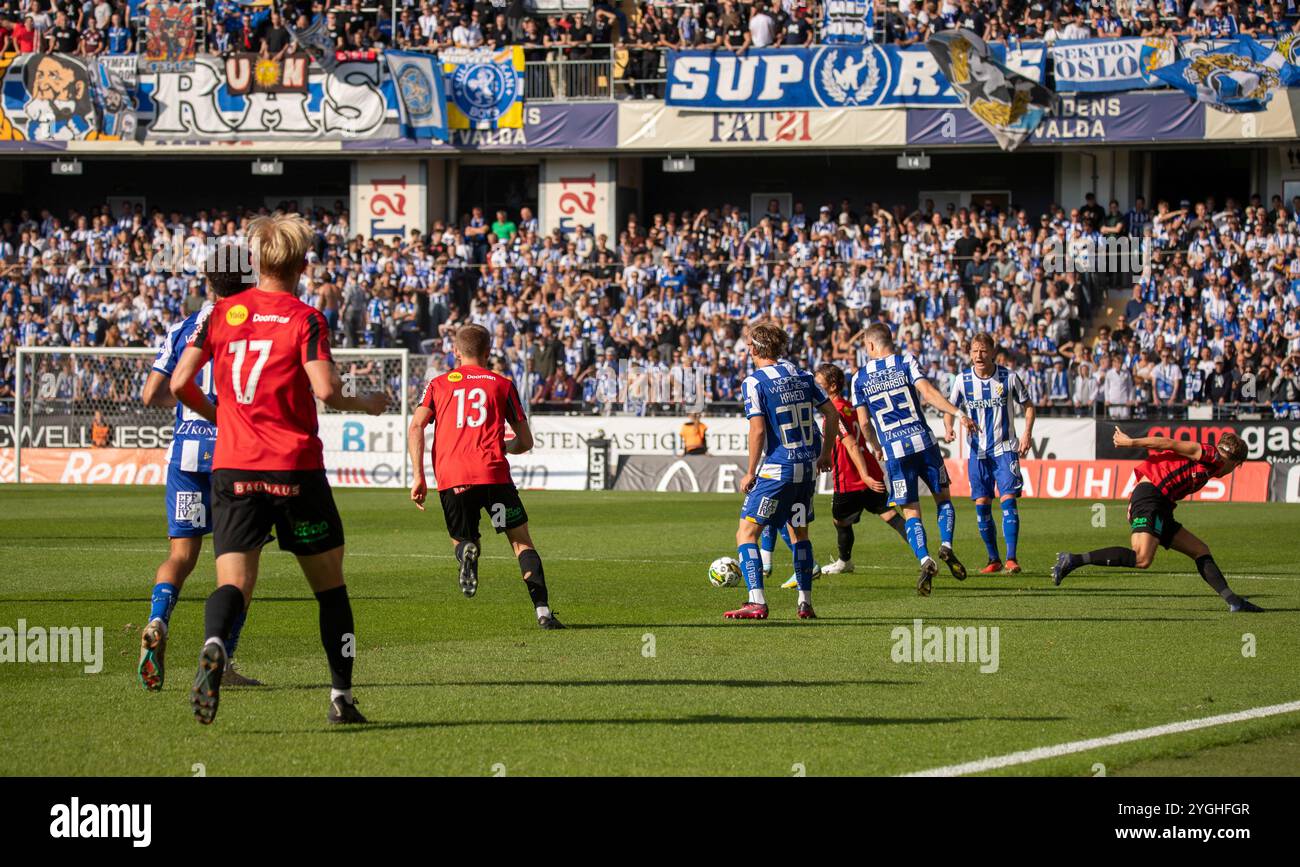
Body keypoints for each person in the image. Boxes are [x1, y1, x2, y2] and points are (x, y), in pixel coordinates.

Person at [172, 214, 388, 726]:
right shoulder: (305, 317)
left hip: (233, 469)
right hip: (293, 468)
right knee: (330, 588)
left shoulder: (219, 313)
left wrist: (223, 415)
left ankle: (215, 645)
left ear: (255, 262)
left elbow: (180, 383)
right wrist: (369, 403)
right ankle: (341, 698)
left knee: (233, 582)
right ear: (304, 264)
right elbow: (328, 391)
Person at [138, 244, 260, 692]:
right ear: (250, 280)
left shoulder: (181, 327)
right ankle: (223, 661)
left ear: (208, 281)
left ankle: (157, 619)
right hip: (236, 455)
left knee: (180, 556)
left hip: (187, 453)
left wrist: (196, 407)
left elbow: (153, 394)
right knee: (238, 569)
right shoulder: (253, 325)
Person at [408, 324, 564, 629]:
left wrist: (417, 476)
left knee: (463, 539)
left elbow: (416, 426)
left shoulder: (438, 384)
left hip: (452, 477)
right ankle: (543, 612)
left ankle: (467, 552)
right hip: (493, 474)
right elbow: (525, 442)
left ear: (455, 351)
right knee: (521, 543)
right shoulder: (502, 384)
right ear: (488, 352)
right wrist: (503, 445)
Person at [1052, 429, 1261, 613]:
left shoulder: (1211, 465)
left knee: (1200, 550)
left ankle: (1234, 602)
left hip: (1159, 503)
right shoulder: (1213, 456)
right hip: (1152, 497)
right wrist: (1130, 443)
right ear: (1236, 463)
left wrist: (1135, 500)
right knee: (1142, 558)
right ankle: (1072, 560)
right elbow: (1168, 443)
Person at [852, 322, 976, 596]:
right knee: (943, 499)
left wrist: (875, 445)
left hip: (895, 451)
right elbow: (929, 393)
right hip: (924, 442)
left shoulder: (859, 378)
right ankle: (946, 544)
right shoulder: (905, 361)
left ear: (871, 345)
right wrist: (958, 414)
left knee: (911, 512)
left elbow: (863, 423)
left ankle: (924, 558)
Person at [728, 323, 838, 620]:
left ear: (753, 348)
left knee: (746, 532)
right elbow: (831, 412)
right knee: (799, 533)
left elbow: (758, 430)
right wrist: (825, 453)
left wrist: (750, 471)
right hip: (806, 470)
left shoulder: (755, 382)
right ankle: (805, 602)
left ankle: (756, 601)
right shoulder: (803, 376)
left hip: (778, 470)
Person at [796, 362, 908, 583]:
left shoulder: (834, 410)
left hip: (850, 477)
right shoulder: (849, 406)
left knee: (841, 522)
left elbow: (851, 445)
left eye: (819, 382)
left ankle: (844, 561)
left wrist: (863, 476)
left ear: (833, 385)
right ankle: (923, 556)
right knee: (890, 515)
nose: (816, 386)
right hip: (869, 471)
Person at [944, 333, 1035, 575]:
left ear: (993, 352)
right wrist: (949, 427)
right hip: (978, 452)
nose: (978, 356)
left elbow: (1028, 406)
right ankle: (993, 559)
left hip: (1005, 449)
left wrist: (1026, 434)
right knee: (982, 505)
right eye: (974, 351)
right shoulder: (962, 380)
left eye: (983, 351)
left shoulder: (1009, 377)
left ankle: (1011, 558)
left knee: (1008, 501)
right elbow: (949, 407)